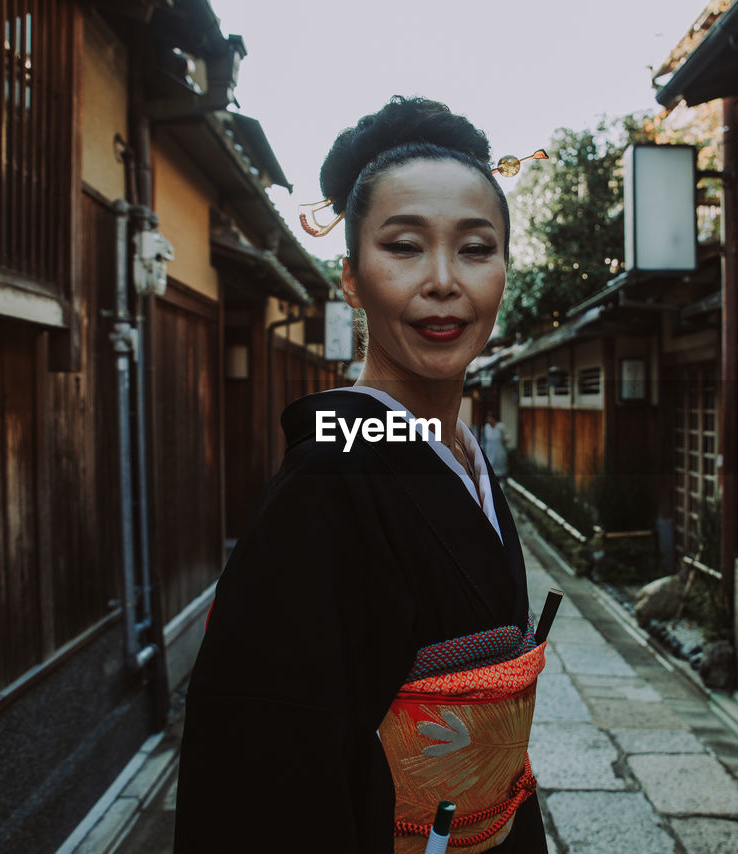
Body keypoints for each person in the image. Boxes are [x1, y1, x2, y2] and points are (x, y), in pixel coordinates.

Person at [174, 96, 549, 853]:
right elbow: (262, 775)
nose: (443, 280)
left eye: (476, 248)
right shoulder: (326, 481)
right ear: (350, 280)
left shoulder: (461, 461)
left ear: (506, 271)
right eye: (404, 246)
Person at [482, 412, 509, 478]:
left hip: (499, 450)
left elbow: (507, 437)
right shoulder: (486, 427)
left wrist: (504, 442)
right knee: (490, 466)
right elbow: (484, 439)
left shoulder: (501, 427)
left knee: (500, 468)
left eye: (490, 418)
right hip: (489, 450)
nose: (488, 420)